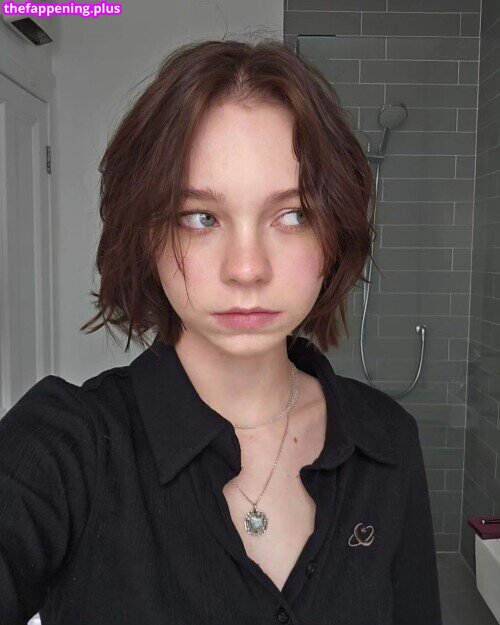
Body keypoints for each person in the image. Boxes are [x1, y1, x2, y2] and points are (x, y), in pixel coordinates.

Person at [0, 37, 442, 625]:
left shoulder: (386, 441)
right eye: (201, 218)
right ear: (146, 234)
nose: (247, 268)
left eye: (293, 215)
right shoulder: (65, 446)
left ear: (334, 233)